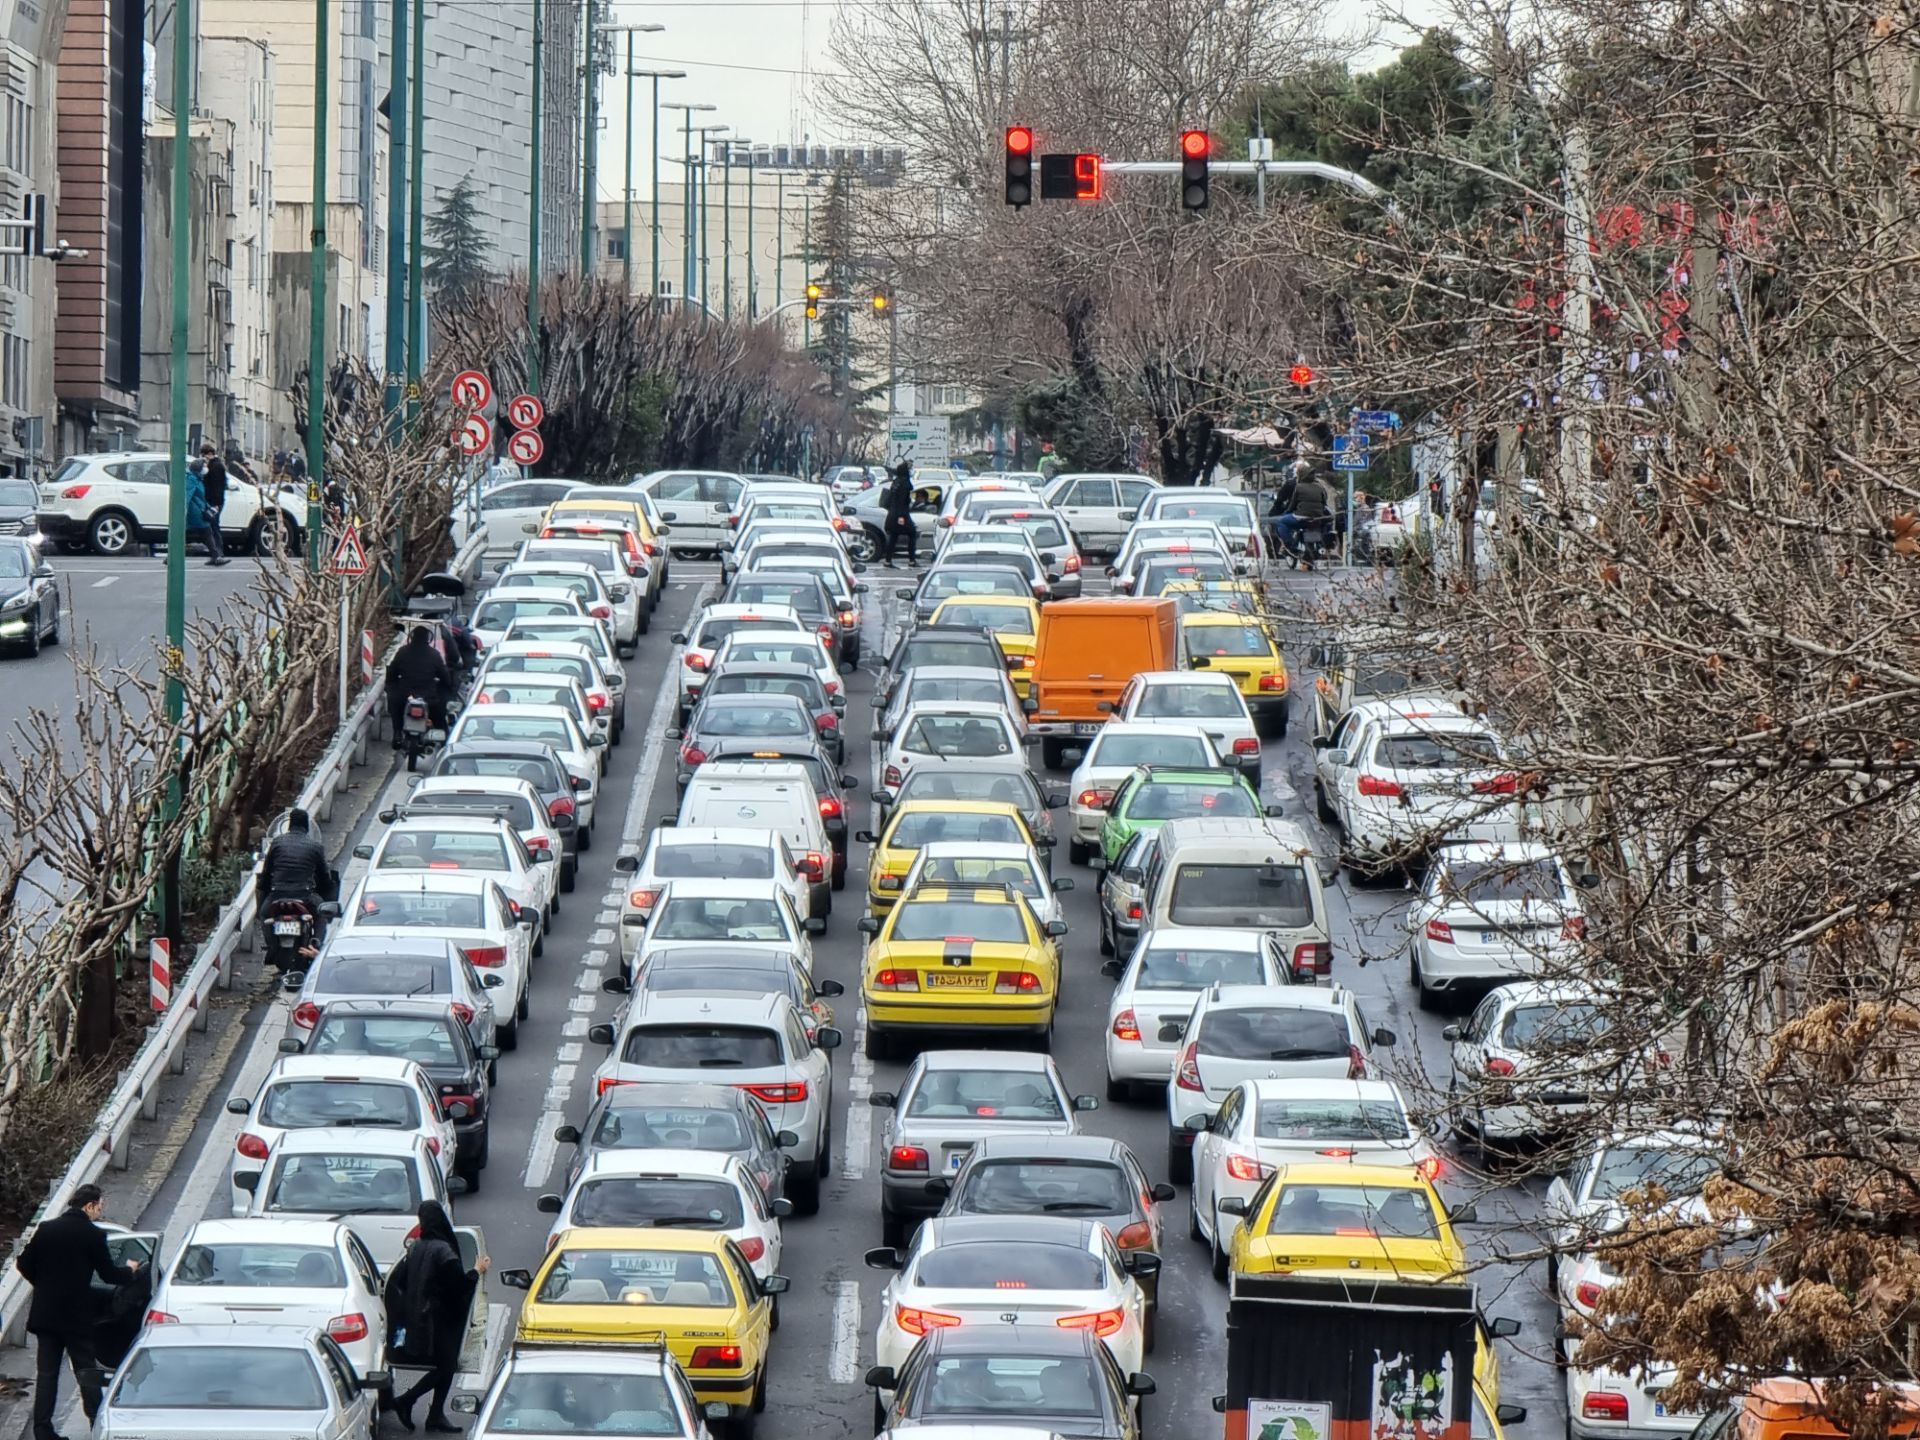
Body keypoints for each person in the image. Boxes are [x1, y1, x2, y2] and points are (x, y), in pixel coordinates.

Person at [16, 1184, 142, 1440]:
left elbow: (23, 1263)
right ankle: (96, 1422)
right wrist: (130, 1270)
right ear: (89, 1206)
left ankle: (43, 1430)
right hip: (76, 1317)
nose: (100, 1212)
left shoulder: (47, 1229)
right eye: (100, 1207)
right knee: (86, 1371)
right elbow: (108, 1274)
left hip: (46, 1314)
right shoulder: (92, 1235)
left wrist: (45, 1286)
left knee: (47, 1374)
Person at [384, 1201, 490, 1433]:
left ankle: (435, 1415)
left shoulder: (415, 1248)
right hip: (441, 1320)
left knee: (445, 1365)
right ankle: (407, 1400)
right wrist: (477, 1270)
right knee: (447, 1366)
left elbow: (399, 1282)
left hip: (418, 1318)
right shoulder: (444, 1251)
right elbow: (458, 1286)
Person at [257, 808, 339, 951]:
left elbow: (266, 872)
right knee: (321, 914)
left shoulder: (276, 843)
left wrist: (264, 888)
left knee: (263, 914)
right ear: (306, 826)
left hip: (277, 894)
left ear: (289, 824)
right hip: (304, 895)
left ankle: (271, 946)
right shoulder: (315, 846)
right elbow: (324, 877)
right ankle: (316, 942)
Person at [385, 626, 455, 741]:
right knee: (439, 718)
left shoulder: (403, 652)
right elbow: (445, 676)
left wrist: (390, 685)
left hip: (405, 695)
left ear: (412, 637)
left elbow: (392, 672)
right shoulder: (434, 654)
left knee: (396, 710)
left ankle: (397, 732)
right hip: (429, 696)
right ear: (428, 638)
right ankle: (444, 739)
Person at [1274, 466, 1333, 560]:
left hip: (1301, 517)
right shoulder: (1320, 487)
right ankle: (1321, 544)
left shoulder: (1299, 487)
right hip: (1318, 518)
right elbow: (1324, 501)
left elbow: (1293, 503)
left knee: (1282, 522)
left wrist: (1287, 512)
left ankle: (1289, 545)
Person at [197, 444, 230, 566]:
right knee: (212, 526)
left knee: (214, 526)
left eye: (203, 455)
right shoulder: (216, 465)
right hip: (214, 501)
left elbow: (216, 487)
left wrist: (215, 504)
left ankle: (218, 552)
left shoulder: (215, 466)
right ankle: (216, 553)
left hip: (214, 502)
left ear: (208, 454)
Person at [881, 460, 918, 567]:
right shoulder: (904, 483)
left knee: (894, 536)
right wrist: (901, 516)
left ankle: (888, 560)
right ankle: (911, 560)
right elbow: (902, 501)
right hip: (901, 515)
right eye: (909, 469)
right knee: (912, 533)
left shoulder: (896, 481)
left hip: (893, 514)